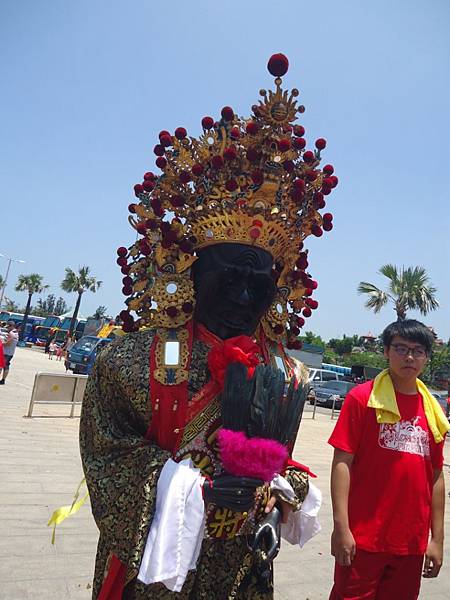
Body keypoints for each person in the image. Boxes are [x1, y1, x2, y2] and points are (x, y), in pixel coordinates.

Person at [80, 53, 337, 600]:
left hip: (241, 568)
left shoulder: (287, 375)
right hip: (156, 569)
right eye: (230, 276)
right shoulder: (129, 362)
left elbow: (284, 461)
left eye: (259, 281)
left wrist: (280, 490)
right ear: (191, 273)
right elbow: (108, 458)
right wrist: (190, 488)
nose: (245, 294)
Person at [328, 319, 449, 600]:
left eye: (418, 351)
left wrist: (438, 540)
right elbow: (342, 463)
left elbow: (436, 476)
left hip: (410, 544)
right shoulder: (362, 399)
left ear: (427, 358)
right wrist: (341, 528)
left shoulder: (433, 411)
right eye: (401, 348)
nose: (409, 357)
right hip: (362, 539)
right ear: (386, 352)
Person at [0, 320, 19, 384]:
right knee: (6, 366)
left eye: (8, 327)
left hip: (5, 352)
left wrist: (1, 344)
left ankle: (3, 380)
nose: (7, 328)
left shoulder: (11, 333)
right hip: (11, 353)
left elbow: (8, 343)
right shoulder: (16, 333)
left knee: (1, 366)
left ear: (11, 326)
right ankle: (3, 380)